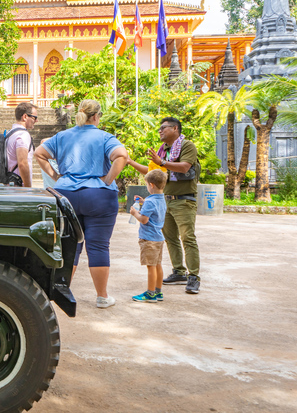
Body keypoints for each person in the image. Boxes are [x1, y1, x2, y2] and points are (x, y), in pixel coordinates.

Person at [35, 99, 128, 309]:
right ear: (96, 116)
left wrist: (57, 177)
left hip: (66, 194)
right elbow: (121, 156)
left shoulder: (63, 136)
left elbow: (39, 153)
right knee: (98, 245)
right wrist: (107, 180)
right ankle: (102, 297)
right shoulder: (105, 137)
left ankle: (60, 292)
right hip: (99, 196)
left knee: (69, 245)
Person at [128, 117, 201, 294]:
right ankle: (178, 271)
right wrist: (130, 162)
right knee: (170, 238)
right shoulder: (164, 150)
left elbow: (184, 167)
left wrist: (162, 163)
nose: (160, 131)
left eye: (164, 128)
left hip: (184, 199)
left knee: (187, 238)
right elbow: (152, 172)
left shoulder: (187, 146)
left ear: (175, 128)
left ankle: (193, 276)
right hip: (166, 200)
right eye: (159, 129)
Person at [129, 169, 167, 303]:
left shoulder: (150, 202)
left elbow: (143, 219)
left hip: (149, 239)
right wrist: (143, 201)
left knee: (150, 266)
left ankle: (150, 294)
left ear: (151, 185)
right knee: (158, 265)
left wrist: (134, 213)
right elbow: (153, 208)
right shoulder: (161, 199)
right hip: (159, 238)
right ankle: (158, 291)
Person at [6, 102, 37, 187]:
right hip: (18, 187)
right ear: (25, 117)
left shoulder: (9, 134)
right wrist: (27, 187)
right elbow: (22, 163)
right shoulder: (23, 135)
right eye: (34, 118)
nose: (36, 121)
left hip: (8, 183)